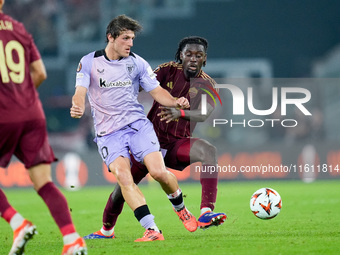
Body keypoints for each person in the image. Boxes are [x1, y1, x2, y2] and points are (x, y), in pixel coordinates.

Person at [84, 36, 227, 240]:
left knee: (209, 151)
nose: (193, 59)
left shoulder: (208, 84)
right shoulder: (167, 70)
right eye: (189, 54)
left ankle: (205, 213)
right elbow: (141, 84)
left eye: (198, 55)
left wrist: (181, 114)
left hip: (177, 145)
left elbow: (204, 114)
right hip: (146, 143)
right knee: (121, 190)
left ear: (205, 59)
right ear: (181, 56)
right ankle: (106, 231)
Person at [70, 15, 197, 242]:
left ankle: (180, 207)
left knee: (158, 172)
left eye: (132, 39)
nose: (130, 43)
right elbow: (80, 91)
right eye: (126, 38)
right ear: (111, 37)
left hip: (138, 126)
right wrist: (77, 105)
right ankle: (152, 229)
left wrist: (176, 101)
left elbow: (156, 91)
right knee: (124, 178)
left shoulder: (137, 62)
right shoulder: (89, 62)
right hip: (109, 134)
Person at [0, 0, 87, 254]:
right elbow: (40, 73)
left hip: (3, 115)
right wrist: (21, 98)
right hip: (31, 113)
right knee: (44, 183)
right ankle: (72, 240)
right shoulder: (19, 29)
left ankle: (17, 223)